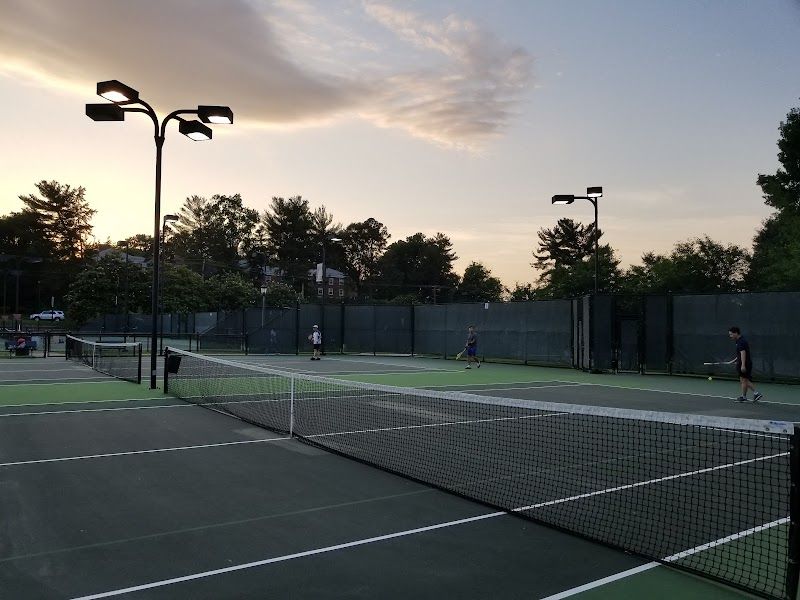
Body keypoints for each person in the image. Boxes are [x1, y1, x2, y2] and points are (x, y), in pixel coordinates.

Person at [728, 326, 762, 403]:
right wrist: (733, 360)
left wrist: (743, 365)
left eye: (731, 334)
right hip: (743, 363)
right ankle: (744, 396)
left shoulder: (741, 342)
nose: (730, 336)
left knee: (744, 380)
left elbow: (743, 353)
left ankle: (756, 393)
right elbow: (739, 354)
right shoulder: (738, 341)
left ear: (736, 333)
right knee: (743, 380)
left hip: (745, 364)